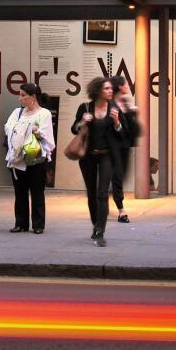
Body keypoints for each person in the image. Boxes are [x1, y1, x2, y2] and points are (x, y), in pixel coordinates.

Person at [69, 75, 125, 247]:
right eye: (106, 88)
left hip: (107, 156)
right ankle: (95, 225)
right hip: (88, 157)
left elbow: (122, 135)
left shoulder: (114, 108)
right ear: (97, 91)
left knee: (102, 194)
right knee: (91, 193)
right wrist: (82, 122)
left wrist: (117, 122)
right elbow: (74, 129)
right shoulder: (85, 108)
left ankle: (100, 231)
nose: (110, 91)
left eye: (111, 89)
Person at [4, 82, 54, 234]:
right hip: (18, 157)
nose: (20, 99)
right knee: (20, 192)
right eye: (20, 95)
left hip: (36, 157)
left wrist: (30, 130)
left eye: (23, 95)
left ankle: (38, 224)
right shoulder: (17, 112)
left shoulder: (44, 113)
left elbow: (45, 134)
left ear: (33, 97)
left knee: (37, 191)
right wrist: (28, 129)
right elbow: (8, 128)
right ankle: (21, 223)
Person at [108, 74, 142, 220]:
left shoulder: (125, 102)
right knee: (117, 176)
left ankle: (103, 196)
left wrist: (132, 113)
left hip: (125, 146)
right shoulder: (110, 104)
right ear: (120, 87)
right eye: (125, 84)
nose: (127, 86)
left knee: (121, 177)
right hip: (114, 147)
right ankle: (121, 208)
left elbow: (129, 127)